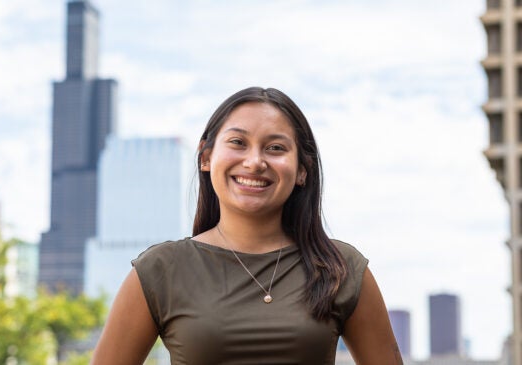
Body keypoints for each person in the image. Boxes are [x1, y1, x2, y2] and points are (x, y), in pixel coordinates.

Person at [91, 87, 402, 364]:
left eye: (276, 148)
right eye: (238, 142)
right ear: (206, 157)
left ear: (302, 171)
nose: (255, 161)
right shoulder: (160, 270)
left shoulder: (340, 268)